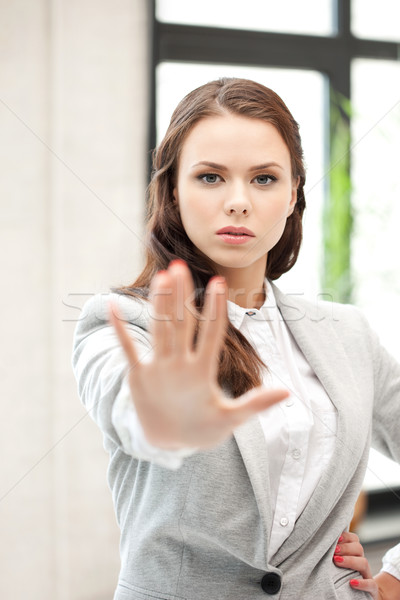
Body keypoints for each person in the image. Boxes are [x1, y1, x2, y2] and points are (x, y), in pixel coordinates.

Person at [72, 78, 400, 599]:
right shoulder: (121, 323)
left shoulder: (347, 335)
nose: (239, 202)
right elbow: (132, 408)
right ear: (173, 190)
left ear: (294, 194)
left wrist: (393, 579)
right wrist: (165, 411)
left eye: (265, 179)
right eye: (210, 177)